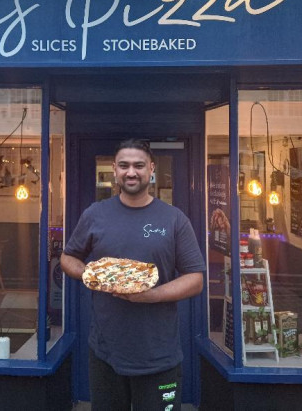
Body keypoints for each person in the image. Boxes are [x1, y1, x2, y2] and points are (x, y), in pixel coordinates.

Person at [60, 139, 205, 411]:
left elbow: (195, 279)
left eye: (139, 165)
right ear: (114, 170)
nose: (131, 172)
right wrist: (91, 274)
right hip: (106, 353)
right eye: (124, 165)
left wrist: (151, 296)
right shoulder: (95, 214)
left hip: (159, 357)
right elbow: (69, 257)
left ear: (151, 169)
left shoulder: (174, 219)